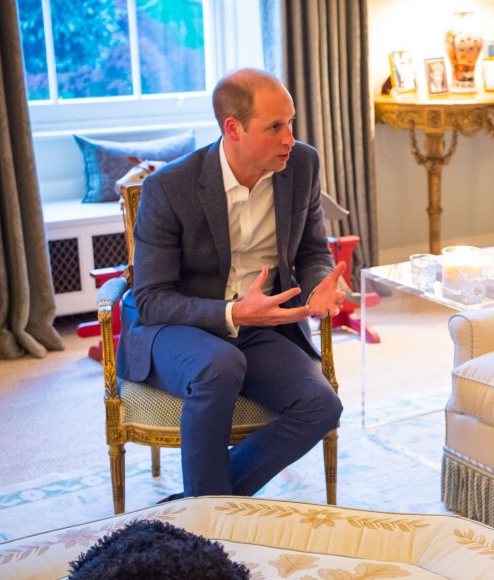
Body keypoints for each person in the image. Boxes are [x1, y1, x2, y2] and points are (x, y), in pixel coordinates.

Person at [117, 68, 345, 501]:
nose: (289, 138)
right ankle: (208, 519)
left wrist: (318, 288)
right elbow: (149, 299)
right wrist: (232, 313)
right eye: (275, 127)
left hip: (259, 329)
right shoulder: (169, 187)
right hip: (175, 328)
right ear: (233, 128)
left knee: (322, 405)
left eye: (291, 122)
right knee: (220, 364)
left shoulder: (302, 165)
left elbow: (313, 251)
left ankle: (201, 506)